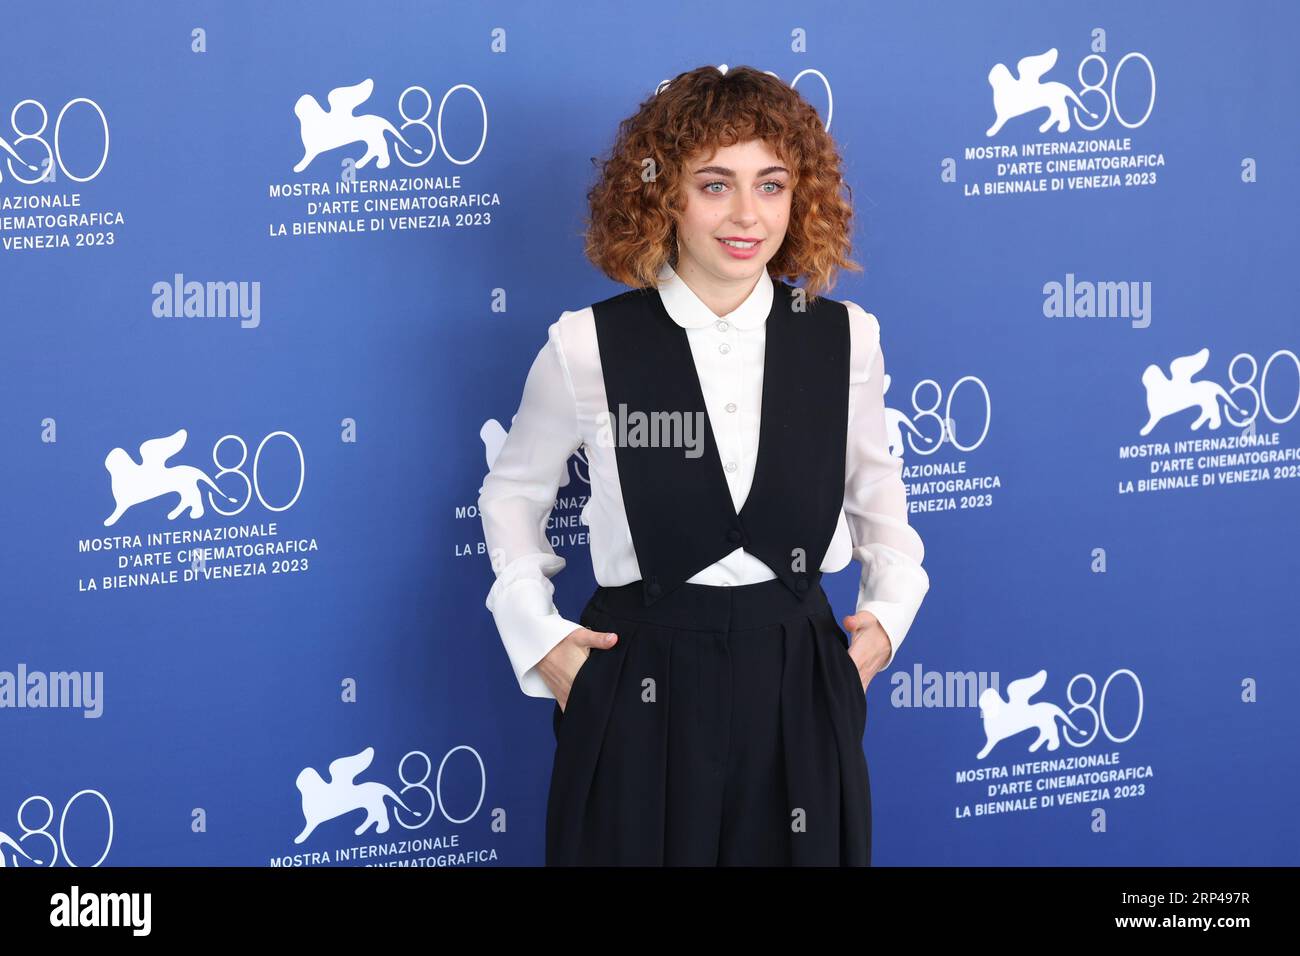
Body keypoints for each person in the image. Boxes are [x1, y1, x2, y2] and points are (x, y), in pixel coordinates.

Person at [478, 65, 929, 866]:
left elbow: (877, 494)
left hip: (799, 673)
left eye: (772, 183)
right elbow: (512, 494)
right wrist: (537, 634)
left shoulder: (846, 337)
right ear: (664, 196)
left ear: (802, 196)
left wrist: (885, 625)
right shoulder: (585, 345)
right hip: (637, 676)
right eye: (715, 184)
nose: (748, 215)